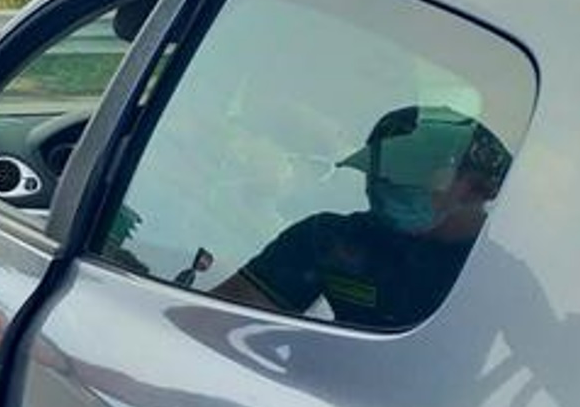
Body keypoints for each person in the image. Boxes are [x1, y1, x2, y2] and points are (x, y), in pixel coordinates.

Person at [214, 105, 513, 330]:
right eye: (377, 173)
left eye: (406, 176)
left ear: (476, 190)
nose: (383, 186)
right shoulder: (327, 240)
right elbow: (213, 324)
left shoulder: (498, 279)